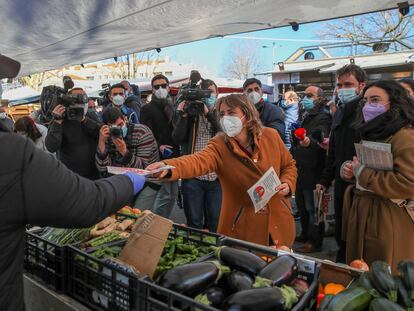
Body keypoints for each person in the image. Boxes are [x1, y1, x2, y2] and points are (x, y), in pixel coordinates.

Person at [0, 53, 146, 310]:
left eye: (81, 99)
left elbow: (98, 134)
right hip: (72, 185)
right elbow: (52, 145)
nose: (76, 104)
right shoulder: (16, 151)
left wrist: (82, 117)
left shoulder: (89, 119)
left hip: (91, 180)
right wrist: (57, 121)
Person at [147, 94, 297, 247]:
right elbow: (197, 161)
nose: (225, 118)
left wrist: (287, 183)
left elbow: (288, 165)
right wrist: (168, 166)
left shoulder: (270, 136)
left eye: (231, 113)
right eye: (221, 114)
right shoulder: (220, 144)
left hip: (279, 221)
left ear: (248, 114)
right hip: (244, 228)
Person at [341, 80, 414, 272]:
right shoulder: (375, 133)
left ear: (394, 102)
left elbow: (408, 183)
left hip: (388, 218)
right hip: (366, 214)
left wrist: (363, 174)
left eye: (375, 99)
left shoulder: (404, 137)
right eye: (365, 100)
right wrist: (352, 171)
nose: (368, 106)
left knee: (384, 277)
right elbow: (373, 169)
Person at [316, 64, 367, 262]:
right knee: (341, 230)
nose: (343, 89)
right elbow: (334, 152)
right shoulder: (339, 112)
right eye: (340, 84)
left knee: (357, 234)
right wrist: (325, 179)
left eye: (348, 84)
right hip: (340, 182)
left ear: (361, 85)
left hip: (360, 184)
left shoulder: (366, 112)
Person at [172, 79, 222, 232]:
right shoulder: (189, 113)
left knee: (215, 221)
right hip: (193, 176)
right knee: (194, 223)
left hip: (216, 176)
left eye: (210, 93)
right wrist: (184, 116)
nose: (206, 97)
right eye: (203, 93)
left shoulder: (222, 113)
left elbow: (223, 133)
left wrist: (208, 114)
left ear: (217, 94)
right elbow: (177, 138)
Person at [291, 86, 332, 253]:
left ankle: (315, 241)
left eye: (310, 95)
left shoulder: (324, 117)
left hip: (315, 169)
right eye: (304, 95)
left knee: (314, 207)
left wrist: (310, 140)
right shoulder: (306, 116)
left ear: (320, 99)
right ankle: (306, 234)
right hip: (302, 167)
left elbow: (321, 137)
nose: (305, 98)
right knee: (302, 205)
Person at [96, 107, 160, 210]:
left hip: (148, 180)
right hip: (123, 180)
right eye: (113, 127)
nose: (118, 130)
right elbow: (102, 169)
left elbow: (144, 169)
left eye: (120, 125)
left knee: (136, 215)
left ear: (125, 119)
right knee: (119, 215)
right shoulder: (107, 136)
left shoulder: (142, 132)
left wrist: (124, 152)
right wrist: (101, 143)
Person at [141, 74, 179, 218]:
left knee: (171, 195)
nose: (161, 89)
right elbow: (146, 134)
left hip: (174, 156)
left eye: (163, 86)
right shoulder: (147, 109)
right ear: (152, 89)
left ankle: (161, 222)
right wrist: (159, 146)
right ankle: (154, 223)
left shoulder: (173, 107)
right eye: (157, 87)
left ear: (169, 88)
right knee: (161, 194)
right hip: (157, 156)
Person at [45, 87, 102, 180]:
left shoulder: (91, 115)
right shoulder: (60, 119)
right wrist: (57, 122)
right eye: (77, 98)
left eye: (84, 98)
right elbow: (51, 147)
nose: (82, 101)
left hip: (94, 175)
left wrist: (84, 119)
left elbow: (101, 133)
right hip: (70, 178)